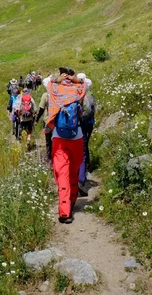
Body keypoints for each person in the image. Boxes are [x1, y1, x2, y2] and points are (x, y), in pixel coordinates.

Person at [44, 68, 87, 224]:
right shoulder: (79, 89)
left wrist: (57, 79)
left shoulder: (54, 89)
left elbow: (45, 80)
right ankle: (73, 199)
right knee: (73, 171)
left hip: (59, 137)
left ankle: (64, 211)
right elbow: (88, 82)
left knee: (62, 174)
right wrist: (76, 80)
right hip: (78, 136)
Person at [77, 73, 95, 197]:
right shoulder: (90, 96)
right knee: (84, 147)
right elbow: (93, 110)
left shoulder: (76, 96)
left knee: (81, 149)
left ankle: (80, 174)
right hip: (88, 123)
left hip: (79, 125)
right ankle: (85, 170)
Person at [36, 86, 52, 164]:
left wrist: (37, 119)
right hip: (57, 121)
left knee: (48, 140)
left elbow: (41, 109)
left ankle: (49, 157)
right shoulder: (58, 94)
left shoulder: (45, 95)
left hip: (48, 121)